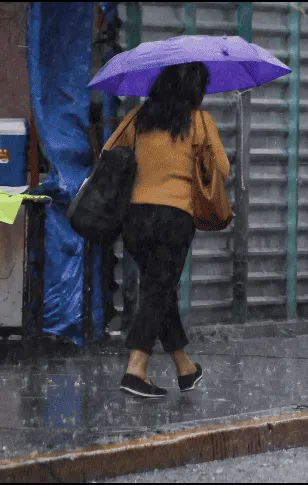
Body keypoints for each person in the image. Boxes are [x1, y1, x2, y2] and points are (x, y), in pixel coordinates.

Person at [102, 62, 230, 398]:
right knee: (158, 290)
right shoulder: (199, 122)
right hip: (173, 219)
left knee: (160, 289)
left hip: (135, 219)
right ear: (195, 91)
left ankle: (184, 368)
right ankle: (135, 369)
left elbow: (107, 153)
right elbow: (224, 170)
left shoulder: (138, 118)